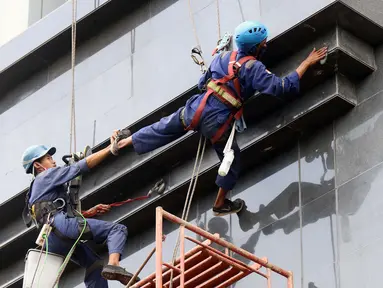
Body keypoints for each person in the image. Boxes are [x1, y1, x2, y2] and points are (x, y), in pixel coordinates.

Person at [111, 20, 327, 216]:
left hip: (196, 108)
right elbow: (282, 87)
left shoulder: (224, 57)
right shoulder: (254, 68)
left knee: (162, 127)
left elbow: (201, 84)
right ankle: (220, 203)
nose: (266, 45)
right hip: (217, 120)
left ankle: (124, 141)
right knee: (231, 159)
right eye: (264, 43)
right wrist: (306, 63)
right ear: (256, 47)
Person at [21, 139, 138, 286]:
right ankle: (114, 264)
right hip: (62, 226)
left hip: (52, 239)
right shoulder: (47, 176)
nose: (54, 162)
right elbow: (80, 167)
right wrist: (110, 149)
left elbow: (54, 210)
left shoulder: (34, 192)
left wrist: (88, 212)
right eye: (48, 158)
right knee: (117, 230)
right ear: (37, 165)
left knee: (94, 264)